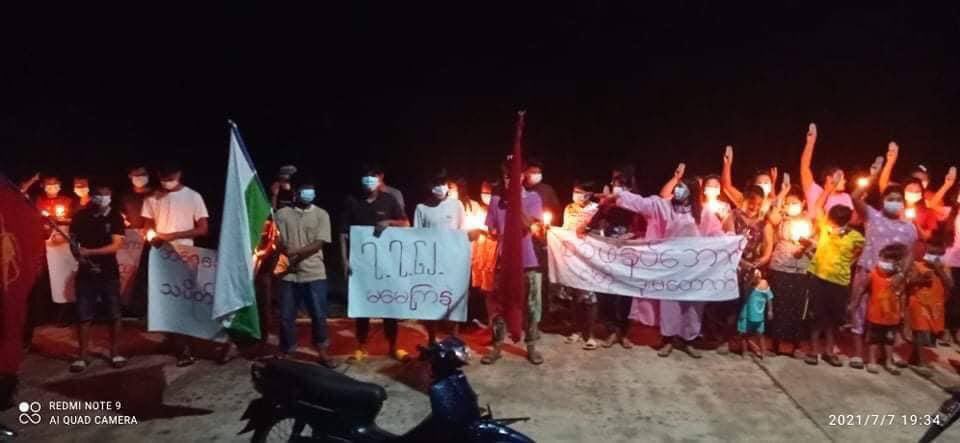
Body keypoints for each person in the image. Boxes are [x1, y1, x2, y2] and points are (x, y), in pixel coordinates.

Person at [606, 163, 731, 358]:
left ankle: (688, 339)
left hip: (693, 267)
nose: (679, 190)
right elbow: (642, 202)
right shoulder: (664, 206)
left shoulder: (703, 213)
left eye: (683, 187)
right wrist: (619, 196)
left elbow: (716, 233)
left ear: (692, 192)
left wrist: (731, 241)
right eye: (678, 186)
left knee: (692, 304)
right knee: (669, 303)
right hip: (670, 266)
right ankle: (668, 339)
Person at [848, 162, 919, 370]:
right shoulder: (872, 216)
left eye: (898, 200)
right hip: (867, 272)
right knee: (860, 312)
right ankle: (859, 355)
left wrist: (902, 276)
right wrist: (873, 175)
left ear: (903, 203)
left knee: (888, 316)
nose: (894, 202)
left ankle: (886, 355)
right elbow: (854, 197)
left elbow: (909, 255)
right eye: (890, 199)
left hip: (891, 280)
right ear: (883, 201)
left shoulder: (908, 228)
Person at [141, 162, 211, 366]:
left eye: (170, 178)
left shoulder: (193, 196)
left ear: (179, 174)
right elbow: (148, 225)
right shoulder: (152, 198)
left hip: (185, 255)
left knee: (183, 301)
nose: (167, 182)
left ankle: (187, 347)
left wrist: (174, 235)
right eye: (163, 178)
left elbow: (203, 229)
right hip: (160, 256)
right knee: (164, 301)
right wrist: (150, 235)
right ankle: (174, 341)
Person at [340, 165, 410, 362]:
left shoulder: (389, 200)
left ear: (379, 181)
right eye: (366, 180)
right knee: (363, 307)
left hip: (386, 263)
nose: (369, 184)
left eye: (373, 180)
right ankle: (361, 347)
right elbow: (343, 234)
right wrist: (345, 261)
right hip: (361, 264)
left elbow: (406, 223)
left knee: (389, 306)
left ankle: (393, 347)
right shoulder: (352, 201)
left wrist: (389, 222)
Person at [481, 162, 545, 365]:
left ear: (523, 177)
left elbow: (528, 225)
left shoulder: (533, 198)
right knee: (500, 305)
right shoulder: (496, 200)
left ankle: (532, 345)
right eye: (506, 176)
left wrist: (515, 204)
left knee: (531, 305)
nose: (510, 180)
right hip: (503, 261)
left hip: (528, 262)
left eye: (514, 176)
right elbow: (492, 230)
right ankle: (498, 345)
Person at [273, 179, 337, 368]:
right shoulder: (282, 214)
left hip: (313, 272)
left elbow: (319, 243)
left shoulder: (321, 214)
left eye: (311, 191)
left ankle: (322, 350)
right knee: (286, 315)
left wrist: (295, 253)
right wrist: (274, 195)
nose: (308, 195)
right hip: (287, 273)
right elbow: (270, 228)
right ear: (296, 193)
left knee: (318, 314)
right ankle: (288, 349)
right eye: (304, 191)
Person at [805, 172, 865, 366]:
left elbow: (863, 248)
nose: (833, 224)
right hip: (819, 278)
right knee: (817, 316)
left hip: (839, 281)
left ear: (847, 222)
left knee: (832, 319)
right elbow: (817, 206)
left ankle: (829, 351)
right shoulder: (824, 228)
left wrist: (851, 261)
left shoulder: (854, 236)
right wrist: (829, 189)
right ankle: (814, 351)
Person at [68, 183, 127, 372]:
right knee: (84, 315)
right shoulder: (80, 216)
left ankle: (115, 352)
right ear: (92, 196)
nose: (103, 198)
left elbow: (116, 245)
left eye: (107, 194)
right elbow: (73, 241)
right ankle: (82, 356)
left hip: (108, 272)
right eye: (99, 194)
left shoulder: (115, 217)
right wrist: (79, 256)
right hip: (85, 273)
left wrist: (91, 253)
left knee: (114, 313)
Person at [716, 185, 773, 354]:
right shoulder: (733, 216)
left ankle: (745, 340)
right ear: (744, 200)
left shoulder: (764, 223)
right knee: (730, 304)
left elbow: (768, 247)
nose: (754, 207)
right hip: (733, 265)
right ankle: (726, 340)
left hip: (753, 268)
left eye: (758, 203)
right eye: (751, 202)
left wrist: (759, 263)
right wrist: (740, 262)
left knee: (748, 306)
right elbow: (729, 242)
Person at [413, 172, 467, 343]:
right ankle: (431, 340)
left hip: (452, 263)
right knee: (431, 302)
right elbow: (417, 236)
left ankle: (454, 339)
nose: (440, 188)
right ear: (429, 187)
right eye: (435, 184)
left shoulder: (457, 205)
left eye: (442, 184)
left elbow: (462, 232)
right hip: (430, 265)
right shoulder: (421, 208)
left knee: (454, 302)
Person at [766, 187, 815, 358]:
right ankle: (775, 343)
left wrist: (807, 245)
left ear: (802, 203)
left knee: (797, 306)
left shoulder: (809, 220)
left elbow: (814, 241)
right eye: (789, 203)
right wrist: (781, 199)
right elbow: (772, 218)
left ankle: (794, 345)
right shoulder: (781, 219)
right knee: (779, 304)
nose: (791, 206)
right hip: (781, 265)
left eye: (795, 203)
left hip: (801, 267)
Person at [851, 243, 910, 375]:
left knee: (889, 341)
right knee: (874, 340)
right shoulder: (873, 274)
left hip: (892, 318)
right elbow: (861, 288)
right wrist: (855, 303)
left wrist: (901, 313)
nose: (887, 263)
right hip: (875, 316)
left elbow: (902, 295)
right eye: (885, 259)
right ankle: (872, 361)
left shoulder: (899, 279)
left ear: (898, 263)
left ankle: (889, 361)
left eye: (892, 260)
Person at [559, 180, 600, 350]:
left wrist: (591, 230)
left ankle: (590, 334)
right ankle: (575, 330)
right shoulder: (569, 208)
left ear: (589, 194)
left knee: (590, 297)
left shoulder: (597, 210)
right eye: (574, 191)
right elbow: (565, 228)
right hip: (572, 257)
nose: (576, 194)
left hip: (589, 258)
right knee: (575, 295)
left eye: (580, 191)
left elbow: (601, 234)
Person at [906, 236, 953, 377]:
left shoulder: (945, 268)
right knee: (920, 331)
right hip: (918, 302)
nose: (933, 257)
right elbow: (909, 282)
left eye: (937, 254)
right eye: (931, 253)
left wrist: (939, 270)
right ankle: (921, 362)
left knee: (926, 331)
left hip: (935, 305)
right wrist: (920, 279)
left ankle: (913, 358)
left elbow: (950, 285)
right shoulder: (917, 265)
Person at [799, 123, 854, 213]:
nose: (845, 181)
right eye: (841, 178)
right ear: (829, 178)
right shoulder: (814, 190)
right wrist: (810, 142)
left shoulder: (846, 197)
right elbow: (804, 166)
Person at [721, 145, 778, 215]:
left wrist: (773, 182)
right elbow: (727, 186)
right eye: (760, 182)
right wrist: (727, 165)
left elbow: (774, 199)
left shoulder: (773, 202)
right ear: (754, 185)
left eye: (766, 182)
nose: (763, 185)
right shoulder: (745, 201)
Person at [736, 271, 774, 359]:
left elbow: (769, 298)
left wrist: (770, 311)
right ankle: (745, 352)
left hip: (759, 315)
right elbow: (747, 289)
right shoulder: (748, 285)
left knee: (760, 334)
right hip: (746, 313)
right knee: (744, 333)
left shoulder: (764, 283)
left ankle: (763, 352)